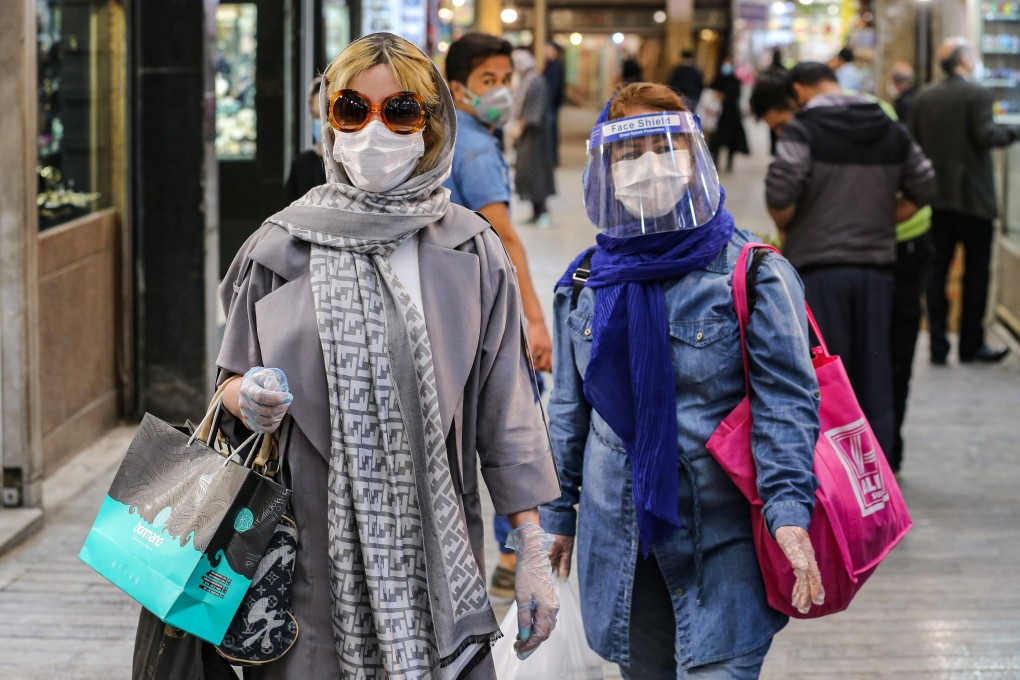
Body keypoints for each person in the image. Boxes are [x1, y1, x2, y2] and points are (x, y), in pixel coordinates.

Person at [215, 33, 561, 679]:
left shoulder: (473, 249)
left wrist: (533, 545)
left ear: (430, 126)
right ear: (330, 121)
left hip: (435, 561)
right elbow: (227, 383)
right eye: (353, 109)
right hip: (306, 566)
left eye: (399, 111)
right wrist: (249, 396)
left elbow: (505, 406)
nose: (375, 129)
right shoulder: (279, 246)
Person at [541, 82, 825, 679]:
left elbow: (786, 404)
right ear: (605, 169)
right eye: (629, 153)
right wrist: (555, 517)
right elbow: (569, 412)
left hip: (721, 545)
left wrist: (789, 511)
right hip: (621, 550)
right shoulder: (587, 284)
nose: (648, 166)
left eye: (663, 146)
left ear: (694, 156)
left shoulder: (753, 275)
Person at [765, 62, 936, 458]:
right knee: (874, 374)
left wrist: (800, 218)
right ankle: (878, 467)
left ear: (799, 91)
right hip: (876, 272)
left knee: (825, 376)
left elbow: (780, 194)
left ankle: (831, 468)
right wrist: (879, 218)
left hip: (818, 272)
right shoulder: (887, 125)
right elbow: (925, 183)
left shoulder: (804, 127)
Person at [442, 31, 555, 601]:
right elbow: (505, 237)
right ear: (458, 89)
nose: (504, 91)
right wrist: (535, 320)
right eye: (489, 82)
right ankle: (519, 555)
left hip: (451, 314)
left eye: (507, 79)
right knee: (517, 423)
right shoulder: (479, 151)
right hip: (487, 314)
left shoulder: (448, 138)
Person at [911, 37, 1020, 365]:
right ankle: (971, 345)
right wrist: (1014, 132)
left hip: (935, 199)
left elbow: (912, 143)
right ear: (964, 61)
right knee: (976, 273)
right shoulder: (977, 93)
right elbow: (986, 135)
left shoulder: (924, 97)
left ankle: (938, 345)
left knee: (936, 271)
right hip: (973, 200)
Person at [510, 46, 556, 227]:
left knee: (536, 173)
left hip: (536, 136)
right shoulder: (526, 80)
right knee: (528, 174)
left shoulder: (536, 81)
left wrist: (519, 125)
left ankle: (542, 210)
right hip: (527, 136)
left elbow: (534, 112)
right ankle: (536, 211)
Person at [283, 77, 328, 204]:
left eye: (326, 117)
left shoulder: (352, 167)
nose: (322, 124)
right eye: (316, 116)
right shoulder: (301, 165)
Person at [707, 57, 749, 172]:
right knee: (717, 140)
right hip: (718, 116)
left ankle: (730, 162)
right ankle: (715, 161)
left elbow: (736, 95)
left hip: (731, 115)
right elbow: (709, 91)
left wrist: (724, 96)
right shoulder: (718, 79)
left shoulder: (735, 81)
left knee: (731, 140)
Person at [543, 40, 567, 167]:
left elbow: (554, 86)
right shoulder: (550, 64)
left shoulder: (556, 65)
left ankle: (553, 159)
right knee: (550, 131)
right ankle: (551, 158)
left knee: (551, 131)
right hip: (551, 103)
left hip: (552, 104)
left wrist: (549, 101)